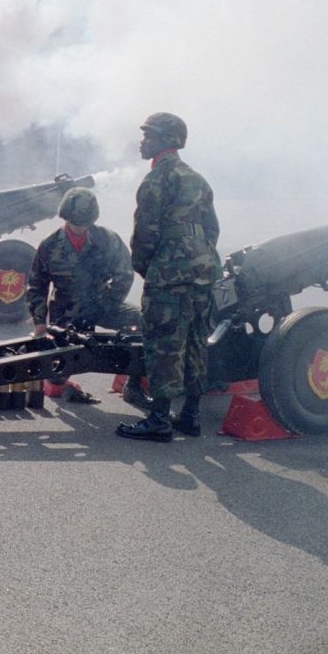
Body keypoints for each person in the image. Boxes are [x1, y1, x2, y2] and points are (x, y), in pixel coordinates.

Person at [117, 112, 221, 442]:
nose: (143, 141)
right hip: (203, 272)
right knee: (195, 343)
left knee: (165, 344)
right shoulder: (198, 179)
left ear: (167, 141)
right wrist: (198, 260)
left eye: (150, 135)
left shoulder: (156, 180)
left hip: (169, 275)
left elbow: (145, 234)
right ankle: (190, 415)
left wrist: (150, 269)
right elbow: (213, 229)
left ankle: (159, 419)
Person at [25, 187, 143, 405]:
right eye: (75, 223)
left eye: (84, 224)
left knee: (142, 321)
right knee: (59, 368)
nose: (79, 229)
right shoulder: (50, 246)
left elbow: (124, 275)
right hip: (67, 309)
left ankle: (133, 385)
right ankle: (59, 381)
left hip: (103, 303)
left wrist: (102, 305)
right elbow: (37, 285)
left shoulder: (108, 240)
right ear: (66, 218)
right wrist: (40, 323)